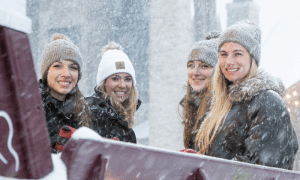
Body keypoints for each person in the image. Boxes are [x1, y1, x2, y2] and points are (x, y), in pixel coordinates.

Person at [194, 20, 298, 170]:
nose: (229, 61)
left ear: (252, 58)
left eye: (238, 54)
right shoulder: (220, 104)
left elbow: (262, 170)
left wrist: (210, 166)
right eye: (224, 54)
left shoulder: (268, 102)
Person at [39, 33, 94, 153]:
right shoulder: (33, 106)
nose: (66, 74)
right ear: (46, 72)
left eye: (73, 68)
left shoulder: (84, 110)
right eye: (58, 66)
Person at [87, 42, 141, 143]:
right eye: (115, 78)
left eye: (127, 79)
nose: (122, 85)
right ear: (104, 83)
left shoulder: (121, 117)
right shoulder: (94, 113)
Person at [180, 31, 220, 150]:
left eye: (204, 66)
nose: (195, 73)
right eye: (191, 65)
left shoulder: (225, 108)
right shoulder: (192, 105)